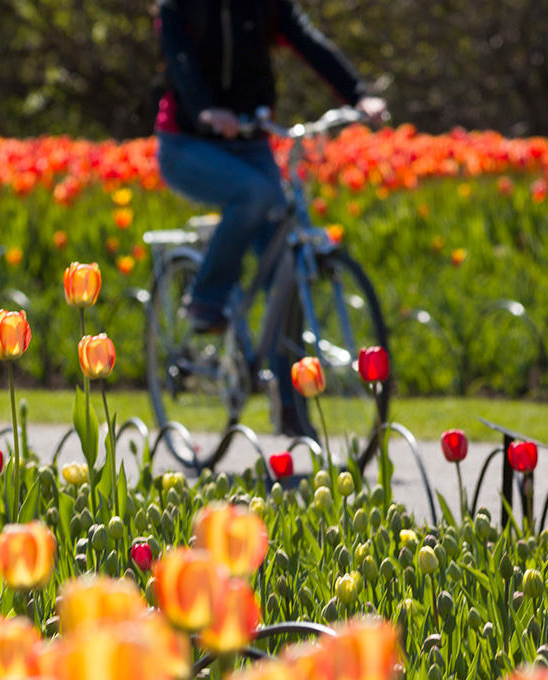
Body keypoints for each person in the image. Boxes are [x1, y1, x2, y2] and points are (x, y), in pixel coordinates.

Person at [154, 0, 386, 436]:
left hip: (252, 142)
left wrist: (359, 94)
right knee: (255, 195)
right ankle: (207, 296)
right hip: (187, 144)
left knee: (286, 267)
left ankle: (289, 402)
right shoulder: (179, 6)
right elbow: (179, 58)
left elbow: (311, 44)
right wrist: (205, 108)